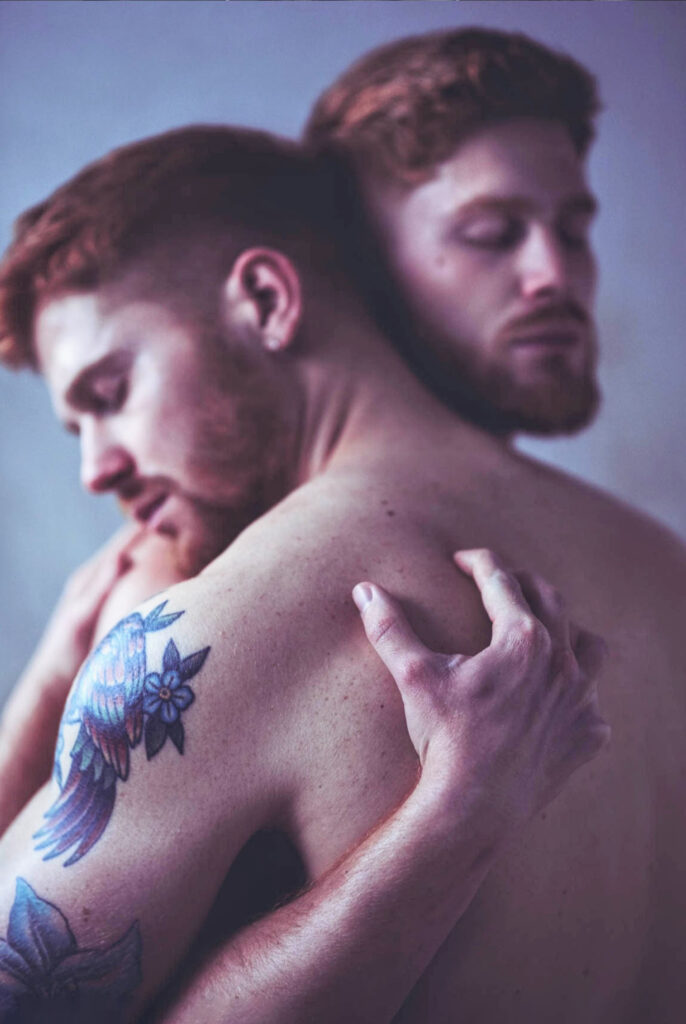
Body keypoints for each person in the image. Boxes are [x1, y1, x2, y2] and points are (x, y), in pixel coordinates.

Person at [0, 121, 682, 1024]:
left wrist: (44, 694)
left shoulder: (221, 627)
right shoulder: (665, 565)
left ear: (267, 300)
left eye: (110, 392)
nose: (96, 468)